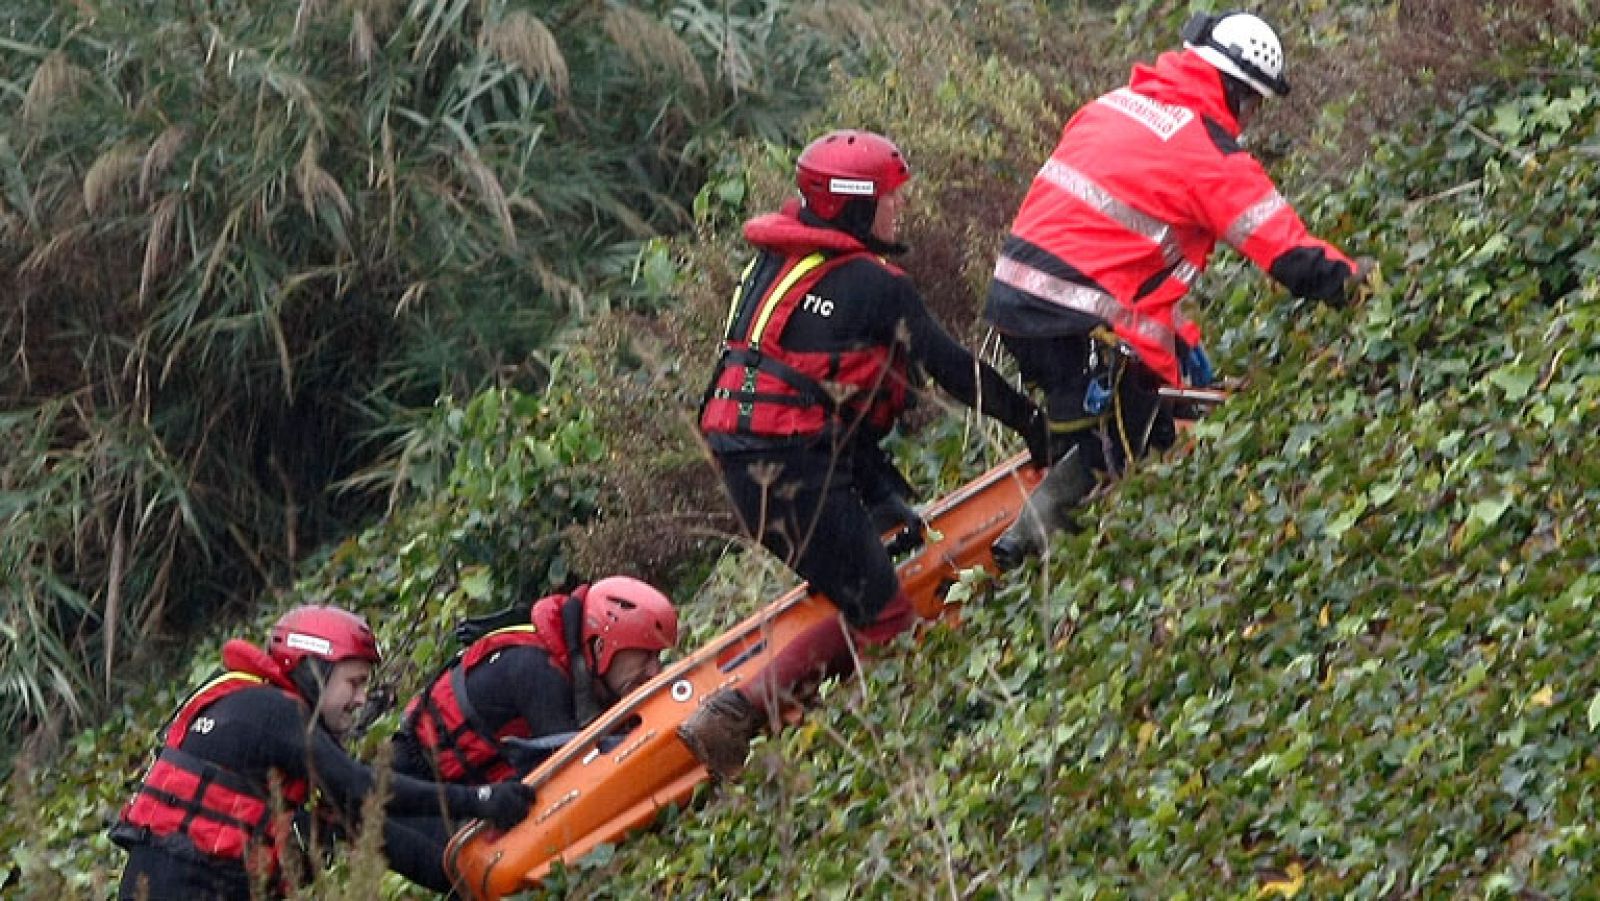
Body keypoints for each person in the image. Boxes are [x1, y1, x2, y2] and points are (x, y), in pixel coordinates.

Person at [678, 129, 1051, 779]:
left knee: (869, 565)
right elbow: (953, 370)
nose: (898, 209)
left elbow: (816, 390)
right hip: (789, 462)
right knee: (883, 613)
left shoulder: (767, 266)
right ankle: (738, 716)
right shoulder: (875, 285)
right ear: (853, 206)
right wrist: (1030, 421)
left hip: (745, 457)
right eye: (887, 198)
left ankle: (783, 687)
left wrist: (880, 492)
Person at [983, 10, 1375, 569]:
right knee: (1126, 439)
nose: (1251, 119)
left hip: (1016, 304)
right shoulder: (1207, 154)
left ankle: (1055, 535)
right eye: (1255, 103)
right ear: (1237, 92)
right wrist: (1359, 285)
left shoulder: (1112, 106)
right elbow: (1293, 256)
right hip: (1073, 316)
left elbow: (1124, 263)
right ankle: (1023, 552)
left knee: (1124, 410)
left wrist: (1178, 347)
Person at [111, 605, 535, 900]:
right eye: (353, 683)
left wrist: (474, 880)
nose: (359, 699)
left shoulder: (262, 714)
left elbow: (366, 823)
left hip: (182, 885)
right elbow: (366, 788)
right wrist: (482, 800)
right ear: (314, 672)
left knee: (333, 824)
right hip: (184, 888)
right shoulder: (272, 711)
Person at [391, 576, 679, 787]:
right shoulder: (537, 673)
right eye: (645, 655)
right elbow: (577, 778)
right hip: (414, 782)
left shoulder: (576, 660)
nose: (655, 671)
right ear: (602, 648)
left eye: (658, 656)